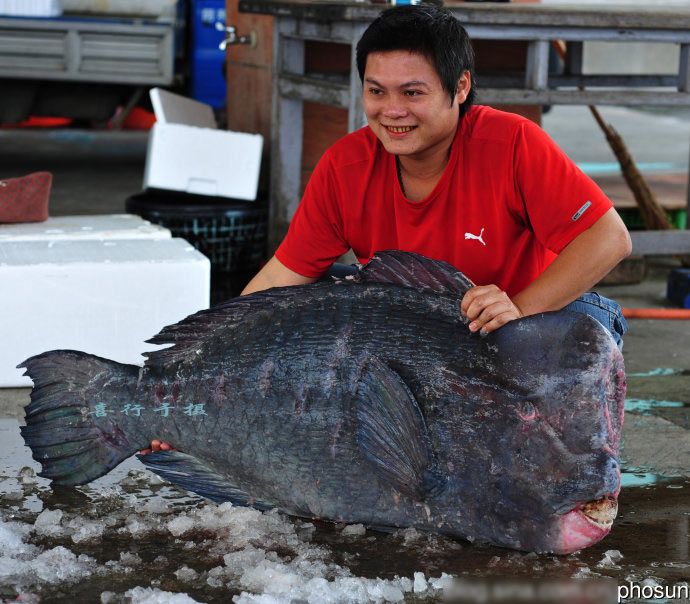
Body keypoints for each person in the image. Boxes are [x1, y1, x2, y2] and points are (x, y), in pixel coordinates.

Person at [141, 4, 631, 455]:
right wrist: (186, 387)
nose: (391, 111)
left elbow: (609, 238)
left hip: (512, 331)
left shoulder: (512, 142)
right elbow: (276, 283)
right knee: (315, 322)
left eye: (412, 93)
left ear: (460, 87)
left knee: (585, 337)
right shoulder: (344, 166)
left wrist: (519, 306)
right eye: (376, 92)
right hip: (413, 339)